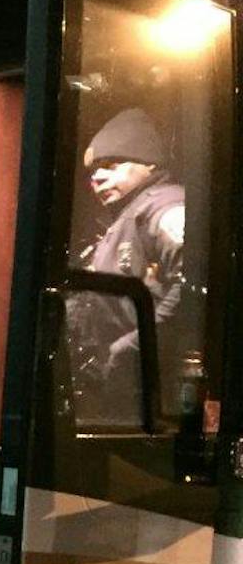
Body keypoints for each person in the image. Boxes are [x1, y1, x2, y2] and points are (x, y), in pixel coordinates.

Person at [70, 107, 186, 423]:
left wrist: (129, 348)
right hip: (123, 386)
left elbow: (191, 288)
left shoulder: (163, 207)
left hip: (146, 389)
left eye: (111, 165)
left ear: (150, 164)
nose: (97, 177)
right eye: (93, 172)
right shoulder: (126, 217)